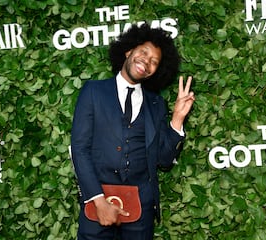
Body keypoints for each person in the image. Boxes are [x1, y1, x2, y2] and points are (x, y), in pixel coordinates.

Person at [70, 23, 195, 240]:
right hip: (98, 205)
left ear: (155, 72)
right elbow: (79, 149)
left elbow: (164, 160)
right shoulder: (93, 91)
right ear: (128, 51)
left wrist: (178, 117)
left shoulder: (156, 104)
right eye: (143, 52)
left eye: (154, 62)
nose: (146, 61)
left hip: (140, 211)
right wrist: (98, 201)